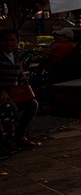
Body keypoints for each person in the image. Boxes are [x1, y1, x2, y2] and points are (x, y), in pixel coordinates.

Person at [0, 28, 41, 157]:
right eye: (6, 40)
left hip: (13, 94)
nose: (9, 43)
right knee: (9, 108)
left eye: (12, 40)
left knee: (32, 104)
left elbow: (19, 77)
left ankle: (20, 136)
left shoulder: (16, 57)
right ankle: (5, 144)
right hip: (2, 96)